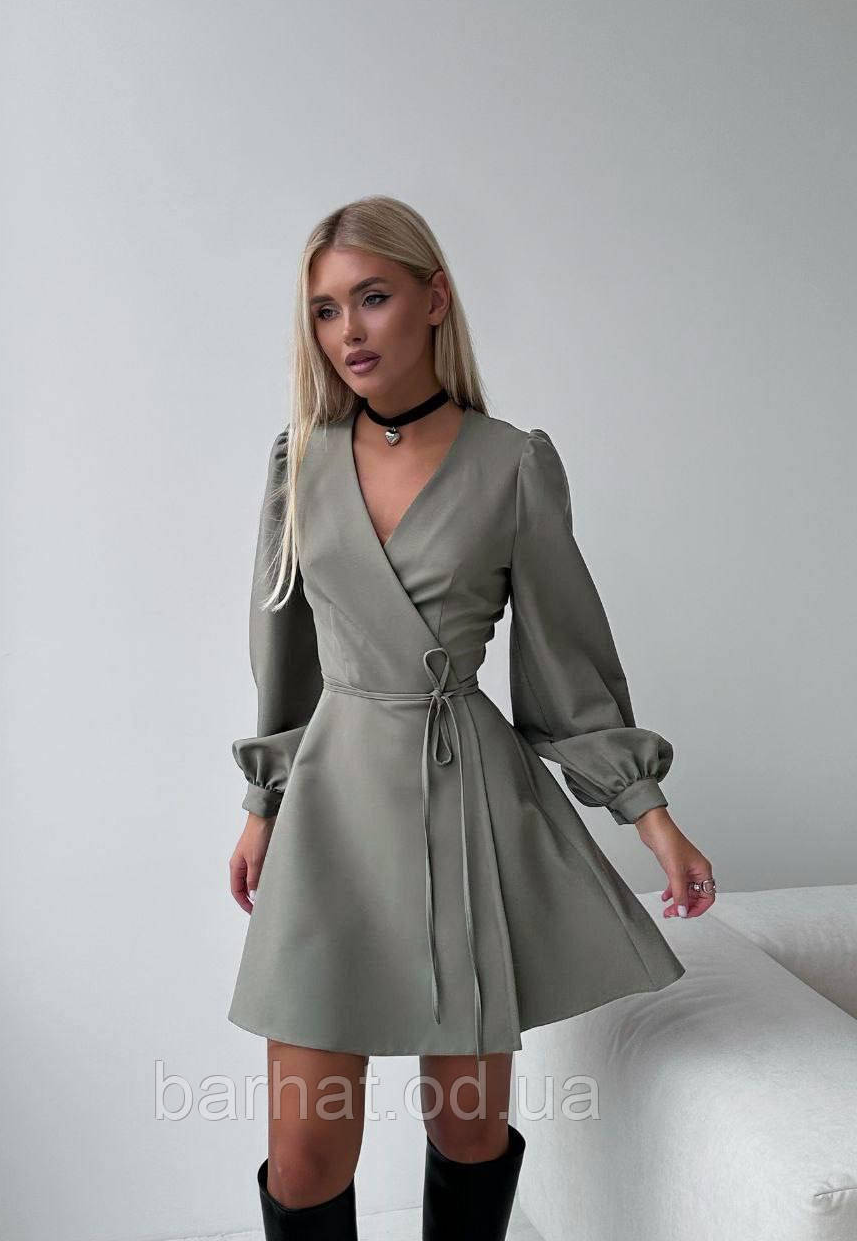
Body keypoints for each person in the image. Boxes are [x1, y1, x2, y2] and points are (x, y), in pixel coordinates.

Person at [227, 194, 716, 1241]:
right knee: (306, 1155)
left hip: (463, 811)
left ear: (435, 298)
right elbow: (286, 662)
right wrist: (263, 804)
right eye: (324, 310)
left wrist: (651, 815)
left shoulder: (512, 463)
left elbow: (567, 663)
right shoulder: (298, 463)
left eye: (372, 297)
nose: (348, 331)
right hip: (332, 815)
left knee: (466, 1130)